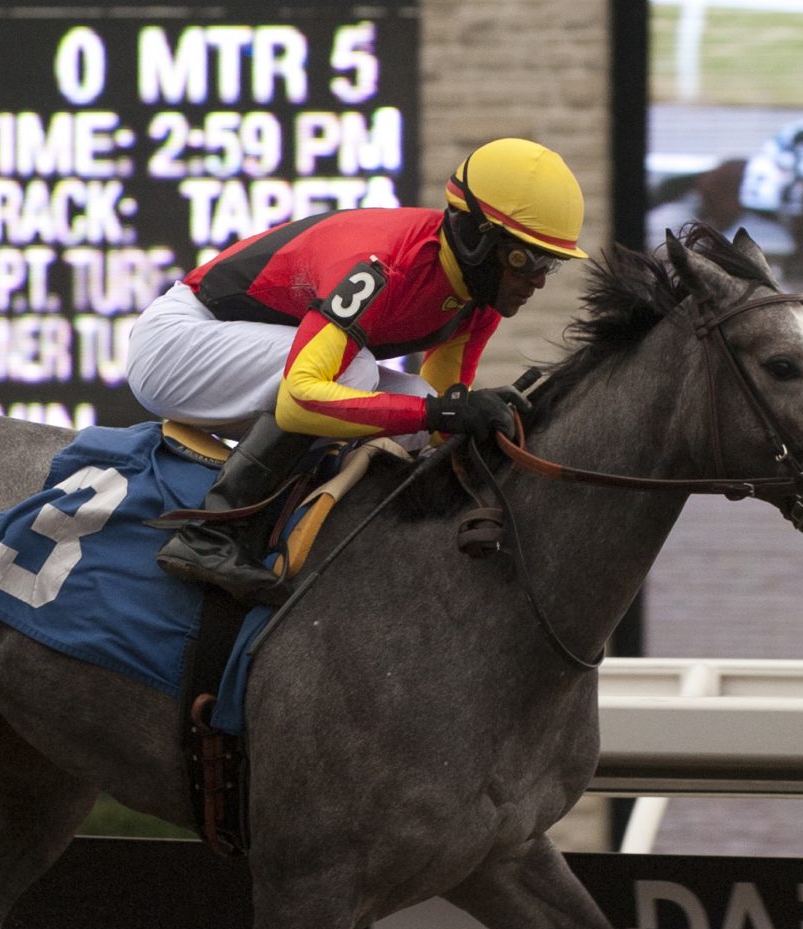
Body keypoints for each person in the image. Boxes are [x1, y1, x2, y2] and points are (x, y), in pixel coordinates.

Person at [126, 136, 587, 604]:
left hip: (236, 352)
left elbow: (440, 415)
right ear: (476, 238)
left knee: (414, 395)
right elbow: (301, 397)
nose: (538, 280)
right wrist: (441, 414)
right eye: (525, 258)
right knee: (357, 376)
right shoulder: (380, 265)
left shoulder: (477, 301)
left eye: (551, 263)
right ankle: (212, 534)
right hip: (176, 343)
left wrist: (490, 427)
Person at [740, 112, 803, 221]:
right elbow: (797, 147)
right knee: (799, 170)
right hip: (780, 150)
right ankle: (787, 202)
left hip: (790, 149)